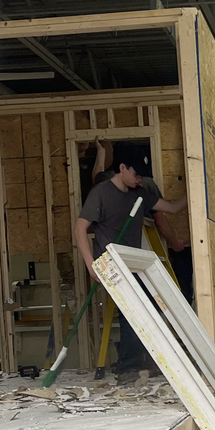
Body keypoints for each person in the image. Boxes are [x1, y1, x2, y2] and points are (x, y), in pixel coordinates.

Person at [75, 142, 187, 382]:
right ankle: (127, 367)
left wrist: (197, 191)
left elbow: (173, 208)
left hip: (132, 262)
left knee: (154, 305)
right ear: (122, 168)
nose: (139, 180)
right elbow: (80, 228)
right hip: (110, 264)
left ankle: (141, 361)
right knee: (132, 312)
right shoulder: (101, 193)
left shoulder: (139, 194)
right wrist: (90, 263)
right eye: (136, 175)